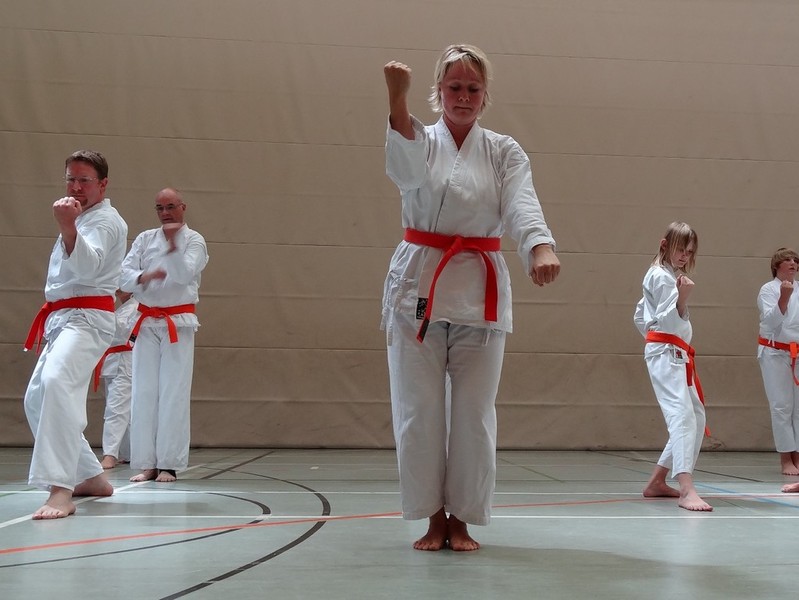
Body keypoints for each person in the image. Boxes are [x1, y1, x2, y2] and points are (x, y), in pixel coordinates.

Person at [381, 44, 560, 551]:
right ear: (438, 92)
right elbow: (405, 173)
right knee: (418, 411)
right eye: (454, 87)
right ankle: (431, 517)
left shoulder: (504, 151)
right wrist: (397, 99)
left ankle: (461, 518)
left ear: (485, 96)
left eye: (473, 89)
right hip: (418, 283)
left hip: (480, 289)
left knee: (474, 415)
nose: (463, 96)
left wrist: (539, 245)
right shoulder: (420, 139)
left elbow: (521, 202)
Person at [22, 150, 127, 519]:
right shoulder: (83, 217)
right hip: (64, 317)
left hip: (87, 318)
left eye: (85, 180)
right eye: (71, 179)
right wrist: (70, 224)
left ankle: (61, 490)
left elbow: (87, 268)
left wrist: (67, 226)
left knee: (56, 383)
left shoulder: (105, 221)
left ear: (103, 184)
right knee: (37, 399)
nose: (76, 187)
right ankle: (90, 477)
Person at [120, 187, 208, 483]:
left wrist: (172, 248)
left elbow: (183, 275)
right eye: (160, 208)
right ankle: (147, 463)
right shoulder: (145, 239)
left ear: (183, 207)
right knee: (143, 392)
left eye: (170, 206)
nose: (165, 213)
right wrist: (142, 276)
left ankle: (169, 464)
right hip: (146, 322)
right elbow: (123, 276)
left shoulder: (194, 240)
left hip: (177, 323)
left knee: (173, 392)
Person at [634, 222, 712, 511]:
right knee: (682, 415)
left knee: (696, 416)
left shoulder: (664, 275)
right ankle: (686, 488)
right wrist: (682, 299)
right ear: (664, 245)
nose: (684, 256)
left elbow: (639, 314)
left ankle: (657, 481)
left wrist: (653, 334)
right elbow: (666, 321)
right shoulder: (660, 276)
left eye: (689, 252)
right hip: (666, 351)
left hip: (673, 351)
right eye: (680, 249)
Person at [756, 248, 799, 477]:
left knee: (798, 408)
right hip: (774, 352)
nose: (793, 263)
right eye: (787, 260)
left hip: (797, 353)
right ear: (776, 266)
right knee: (781, 406)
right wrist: (784, 297)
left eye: (795, 260)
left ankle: (798, 456)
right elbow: (770, 322)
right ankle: (786, 459)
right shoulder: (768, 289)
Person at [95, 289, 138, 469]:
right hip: (113, 360)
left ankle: (110, 454)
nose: (117, 287)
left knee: (116, 408)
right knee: (122, 409)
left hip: (126, 360)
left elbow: (123, 331)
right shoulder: (122, 308)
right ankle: (128, 452)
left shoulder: (137, 306)